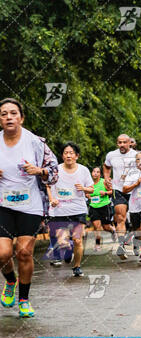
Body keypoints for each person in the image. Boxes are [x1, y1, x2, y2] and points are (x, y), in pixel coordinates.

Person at [0, 97, 58, 318]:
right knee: (3, 253)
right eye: (4, 114)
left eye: (13, 113)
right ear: (0, 120)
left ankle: (24, 299)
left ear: (21, 118)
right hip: (2, 204)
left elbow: (54, 171)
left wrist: (39, 171)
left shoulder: (35, 142)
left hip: (30, 205)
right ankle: (11, 281)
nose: (9, 117)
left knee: (24, 252)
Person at [47, 142, 93, 277]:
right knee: (62, 241)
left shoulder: (83, 170)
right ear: (62, 156)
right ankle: (67, 251)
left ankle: (77, 267)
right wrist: (52, 199)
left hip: (78, 209)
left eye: (71, 153)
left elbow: (91, 188)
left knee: (78, 239)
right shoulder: (56, 170)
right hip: (59, 210)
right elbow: (48, 186)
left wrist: (84, 189)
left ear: (76, 156)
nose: (68, 155)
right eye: (66, 153)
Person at [103, 134, 138, 260]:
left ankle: (136, 241)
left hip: (134, 191)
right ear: (117, 143)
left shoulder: (136, 156)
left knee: (136, 221)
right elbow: (106, 166)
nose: (122, 145)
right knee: (120, 217)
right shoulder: (111, 155)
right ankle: (121, 245)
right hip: (118, 190)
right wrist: (107, 179)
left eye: (124, 142)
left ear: (130, 143)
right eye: (119, 142)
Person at [88, 167, 117, 250]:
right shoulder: (89, 183)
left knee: (106, 227)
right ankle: (97, 244)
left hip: (104, 206)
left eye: (97, 172)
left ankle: (112, 231)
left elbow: (112, 192)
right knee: (97, 227)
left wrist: (105, 193)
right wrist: (87, 195)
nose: (95, 173)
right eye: (94, 171)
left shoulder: (104, 181)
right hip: (93, 207)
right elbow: (86, 193)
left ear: (100, 174)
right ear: (91, 173)